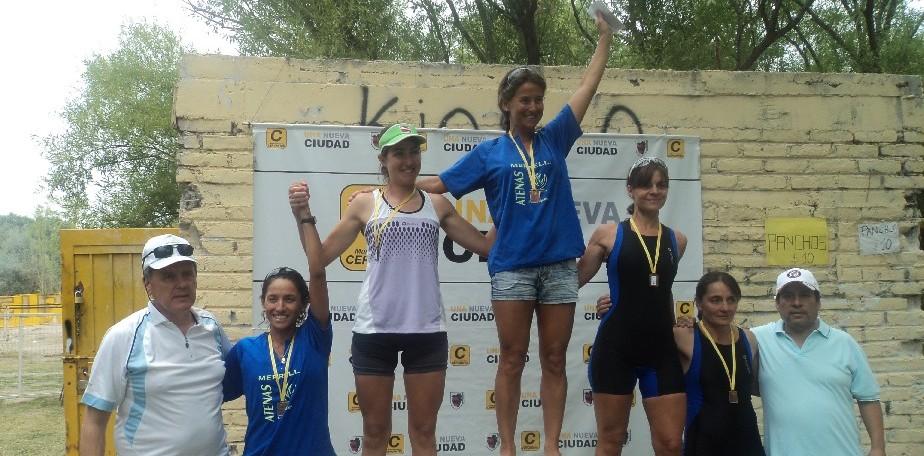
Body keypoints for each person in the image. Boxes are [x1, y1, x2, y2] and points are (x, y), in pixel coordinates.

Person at [409, 13, 614, 456]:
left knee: (555, 358)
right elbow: (440, 184)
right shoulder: (489, 153)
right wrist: (391, 187)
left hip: (559, 267)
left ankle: (552, 446)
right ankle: (507, 446)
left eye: (538, 99)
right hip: (512, 269)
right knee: (511, 358)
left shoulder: (556, 137)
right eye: (525, 99)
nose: (533, 107)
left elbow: (587, 87)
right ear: (506, 103)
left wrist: (605, 38)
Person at [289, 122, 493, 456]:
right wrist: (303, 215)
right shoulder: (364, 203)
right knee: (374, 434)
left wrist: (506, 203)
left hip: (426, 331)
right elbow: (319, 260)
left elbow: (485, 247)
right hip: (375, 331)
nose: (408, 160)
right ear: (383, 159)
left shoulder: (437, 204)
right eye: (399, 153)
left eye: (414, 151)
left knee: (424, 434)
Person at [79, 234, 231, 456]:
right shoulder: (124, 336)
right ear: (147, 284)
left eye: (187, 274)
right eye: (168, 276)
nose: (181, 284)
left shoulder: (211, 327)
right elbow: (94, 422)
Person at [577, 156, 687, 455]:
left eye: (661, 185)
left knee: (671, 443)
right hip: (616, 349)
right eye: (645, 185)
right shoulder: (608, 234)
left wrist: (677, 324)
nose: (654, 191)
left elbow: (662, 290)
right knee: (611, 441)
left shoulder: (677, 240)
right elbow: (573, 281)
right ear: (630, 189)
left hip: (661, 351)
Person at [221, 187, 335, 455]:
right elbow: (210, 396)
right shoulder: (245, 350)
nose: (280, 307)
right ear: (263, 302)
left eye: (289, 299)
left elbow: (317, 272)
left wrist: (303, 214)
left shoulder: (314, 338)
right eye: (273, 299)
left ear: (304, 304)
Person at [752, 267, 885, 456]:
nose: (796, 303)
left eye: (805, 295)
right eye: (788, 296)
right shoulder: (759, 340)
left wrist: (878, 448)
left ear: (818, 301)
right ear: (777, 303)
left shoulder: (844, 343)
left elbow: (868, 399)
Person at [674, 272, 763, 456]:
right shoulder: (684, 337)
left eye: (731, 300)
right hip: (703, 444)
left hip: (748, 444)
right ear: (699, 303)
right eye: (715, 300)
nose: (725, 307)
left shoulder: (749, 339)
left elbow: (758, 387)